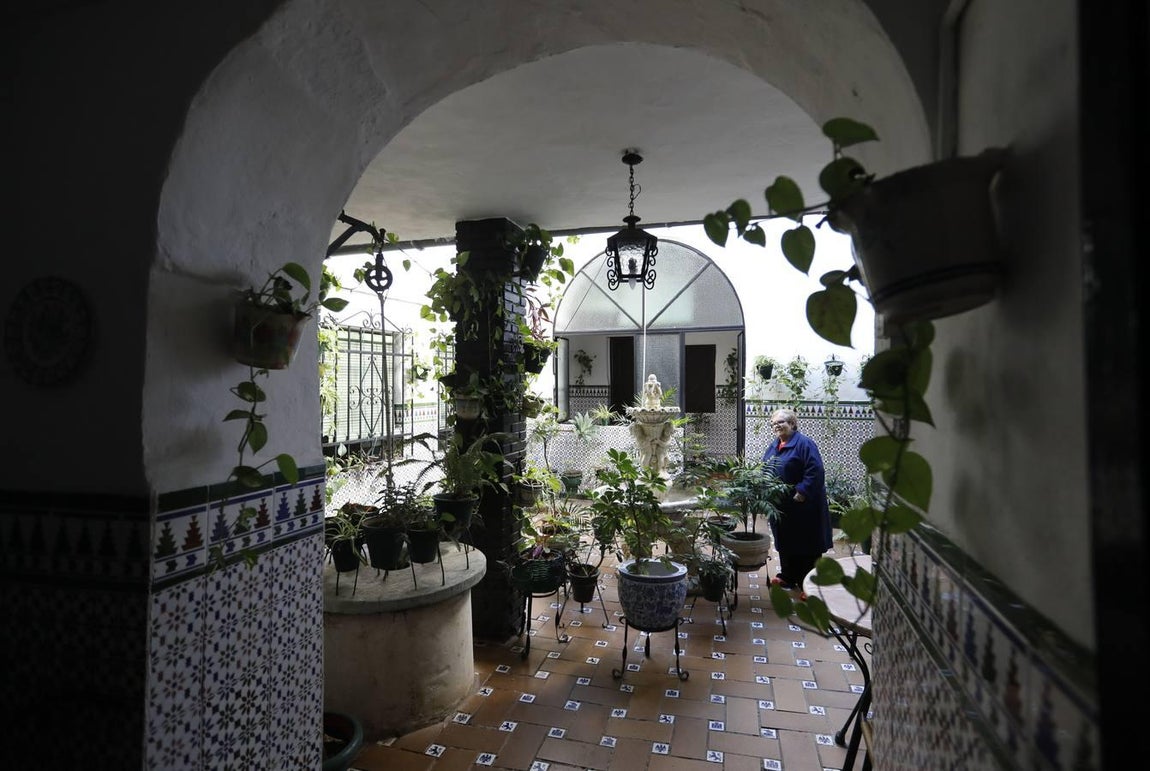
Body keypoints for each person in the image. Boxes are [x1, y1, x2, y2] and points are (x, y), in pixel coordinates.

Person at [761, 408, 833, 595]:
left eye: (781, 422)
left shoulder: (805, 444)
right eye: (774, 424)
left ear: (792, 424)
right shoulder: (775, 445)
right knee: (785, 541)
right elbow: (765, 467)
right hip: (783, 506)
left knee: (806, 546)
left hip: (803, 506)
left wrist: (802, 491)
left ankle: (809, 586)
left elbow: (815, 470)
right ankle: (788, 576)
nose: (777, 426)